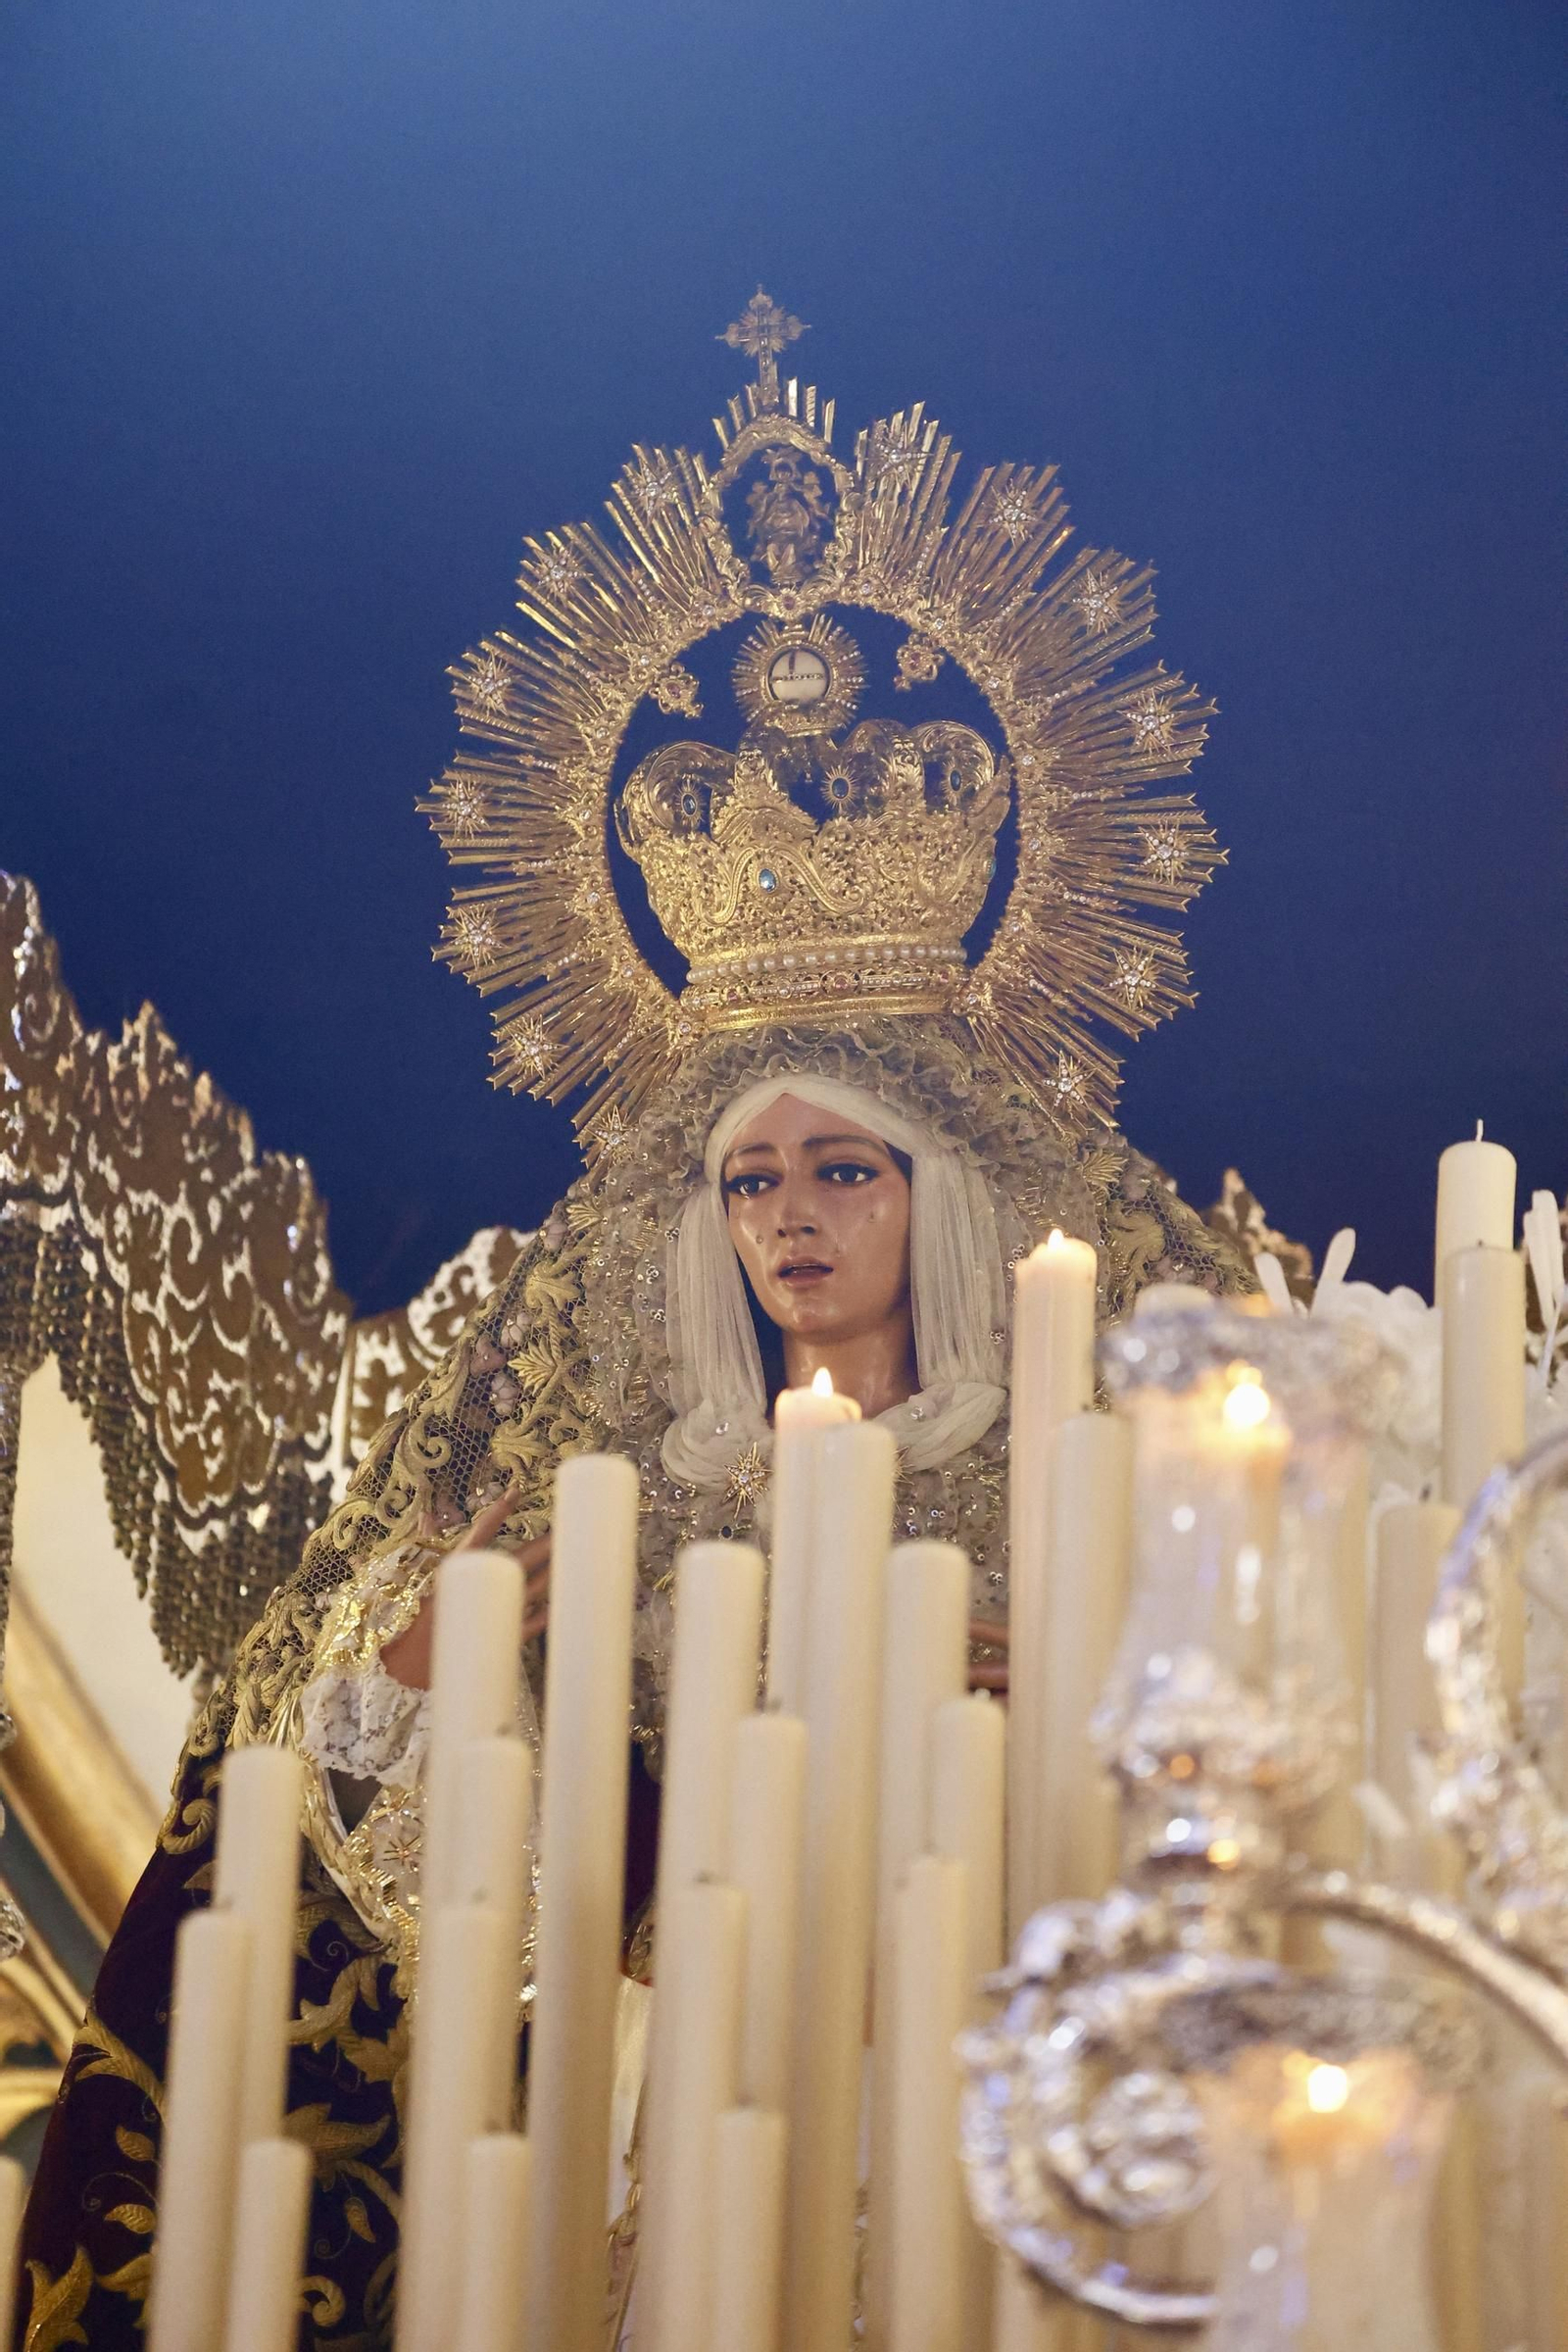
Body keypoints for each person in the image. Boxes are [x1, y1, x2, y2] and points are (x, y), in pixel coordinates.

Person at [15, 303, 1250, 2345]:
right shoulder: (627, 1506)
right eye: (746, 1180)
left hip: (1033, 2153)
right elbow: (403, 1907)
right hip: (674, 2157)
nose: (786, 1218)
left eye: (839, 1170)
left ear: (944, 1189)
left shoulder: (1106, 1485)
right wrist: (429, 1670)